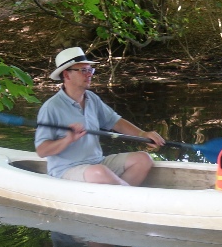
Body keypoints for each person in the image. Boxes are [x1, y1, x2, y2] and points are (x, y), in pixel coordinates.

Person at [35, 47, 165, 185]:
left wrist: (142, 134)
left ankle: (119, 199)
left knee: (143, 159)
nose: (89, 74)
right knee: (99, 172)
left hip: (97, 162)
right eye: (84, 70)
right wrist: (68, 139)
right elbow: (42, 151)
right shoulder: (51, 107)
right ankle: (129, 199)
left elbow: (116, 122)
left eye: (90, 70)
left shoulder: (92, 98)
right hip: (66, 170)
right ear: (66, 75)